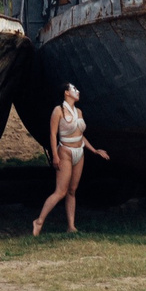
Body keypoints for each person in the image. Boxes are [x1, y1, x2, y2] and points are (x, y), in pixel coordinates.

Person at [32, 83, 108, 234]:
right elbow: (53, 135)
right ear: (66, 93)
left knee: (72, 190)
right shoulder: (58, 111)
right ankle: (38, 221)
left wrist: (94, 150)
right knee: (60, 191)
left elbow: (80, 135)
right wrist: (55, 155)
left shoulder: (78, 111)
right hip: (65, 152)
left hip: (79, 152)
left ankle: (71, 226)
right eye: (74, 89)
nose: (78, 91)